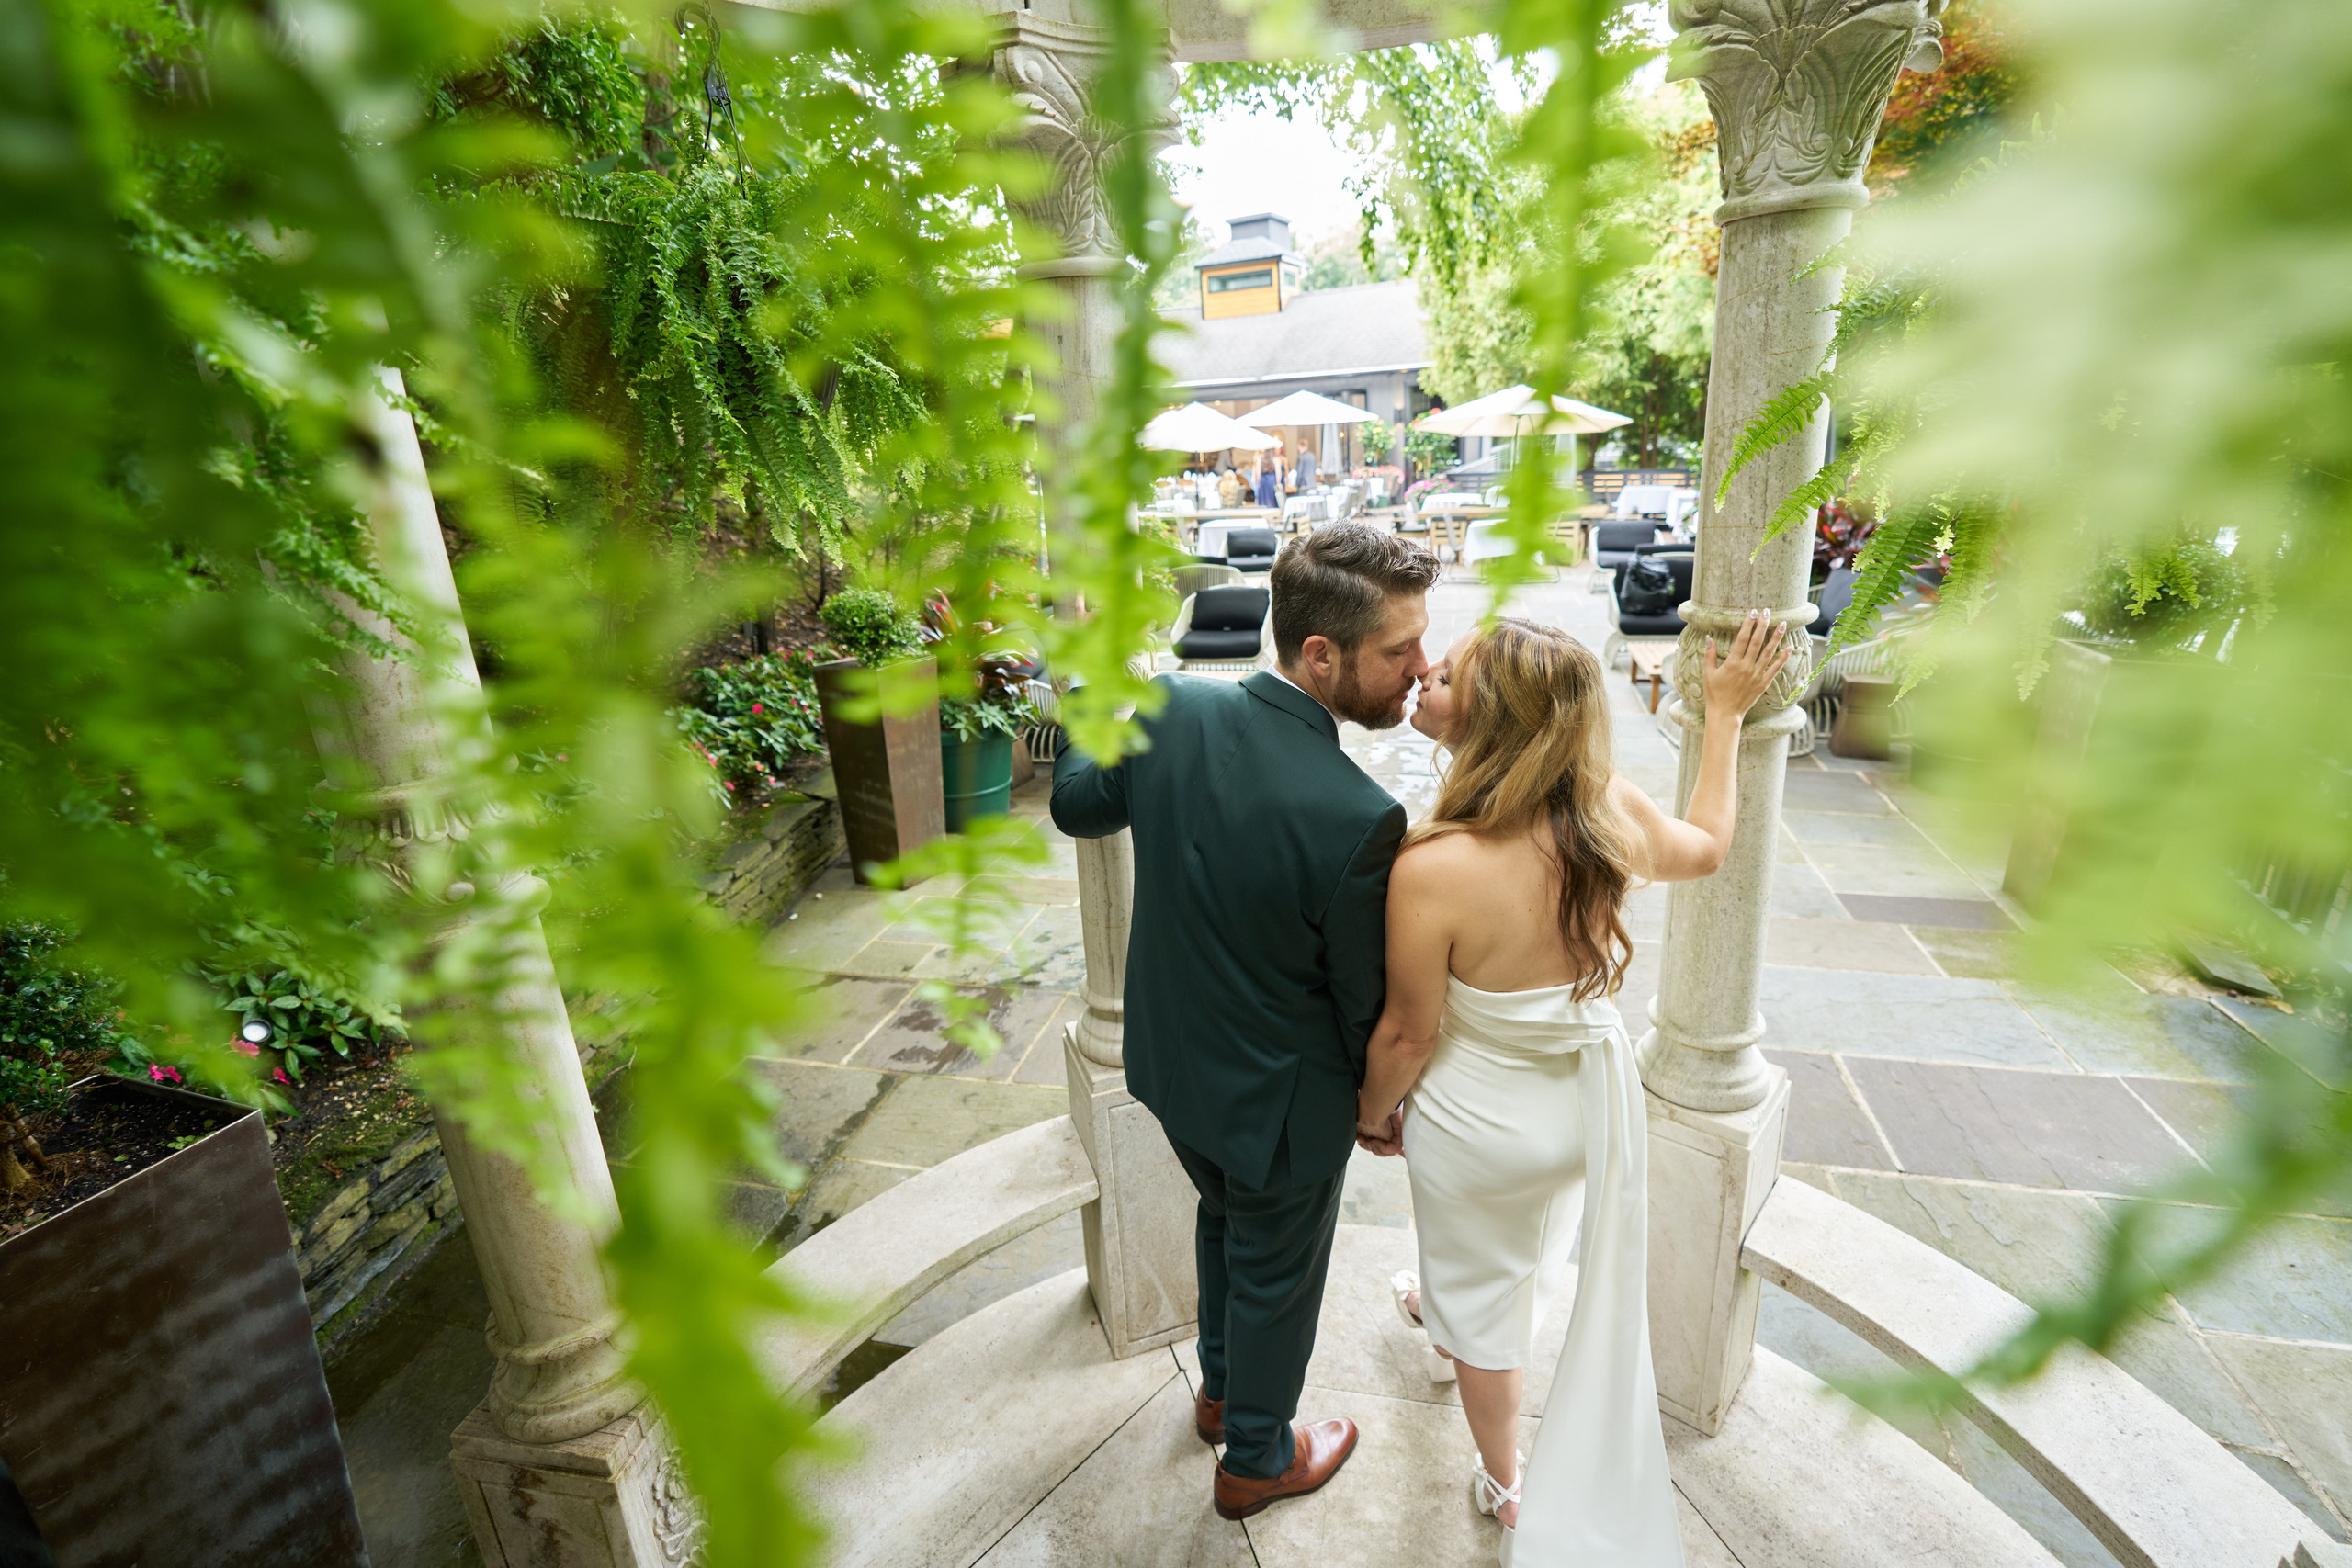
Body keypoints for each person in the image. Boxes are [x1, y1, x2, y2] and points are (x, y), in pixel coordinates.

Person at [1356, 613, 1790, 1566]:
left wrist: (1370, 1111)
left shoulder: (1431, 866)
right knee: (1519, 1240)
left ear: (1491, 717)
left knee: (1485, 1309)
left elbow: (1408, 1032)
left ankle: (1507, 1480)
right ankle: (1444, 1302)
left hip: (1476, 1125)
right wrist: (1722, 717)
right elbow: (1710, 846)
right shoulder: (1603, 812)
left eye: (1451, 671)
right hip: (1586, 1113)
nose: (1425, 671)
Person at [1051, 524, 1442, 1523]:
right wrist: (1378, 1106)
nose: (1421, 667)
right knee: (1277, 1274)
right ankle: (1257, 1460)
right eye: (1401, 649)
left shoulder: (1168, 705)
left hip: (1171, 1071)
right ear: (1322, 654)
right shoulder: (1360, 816)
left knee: (1225, 1224)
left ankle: (1221, 1395)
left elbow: (1080, 807)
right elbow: (1363, 1005)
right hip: (1282, 1108)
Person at [1255, 444, 1281, 509]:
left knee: (1263, 499)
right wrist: (1278, 483)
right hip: (1272, 480)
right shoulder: (1275, 459)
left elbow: (1258, 473)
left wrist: (1258, 483)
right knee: (1271, 499)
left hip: (1263, 480)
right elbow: (1278, 473)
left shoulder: (1260, 459)